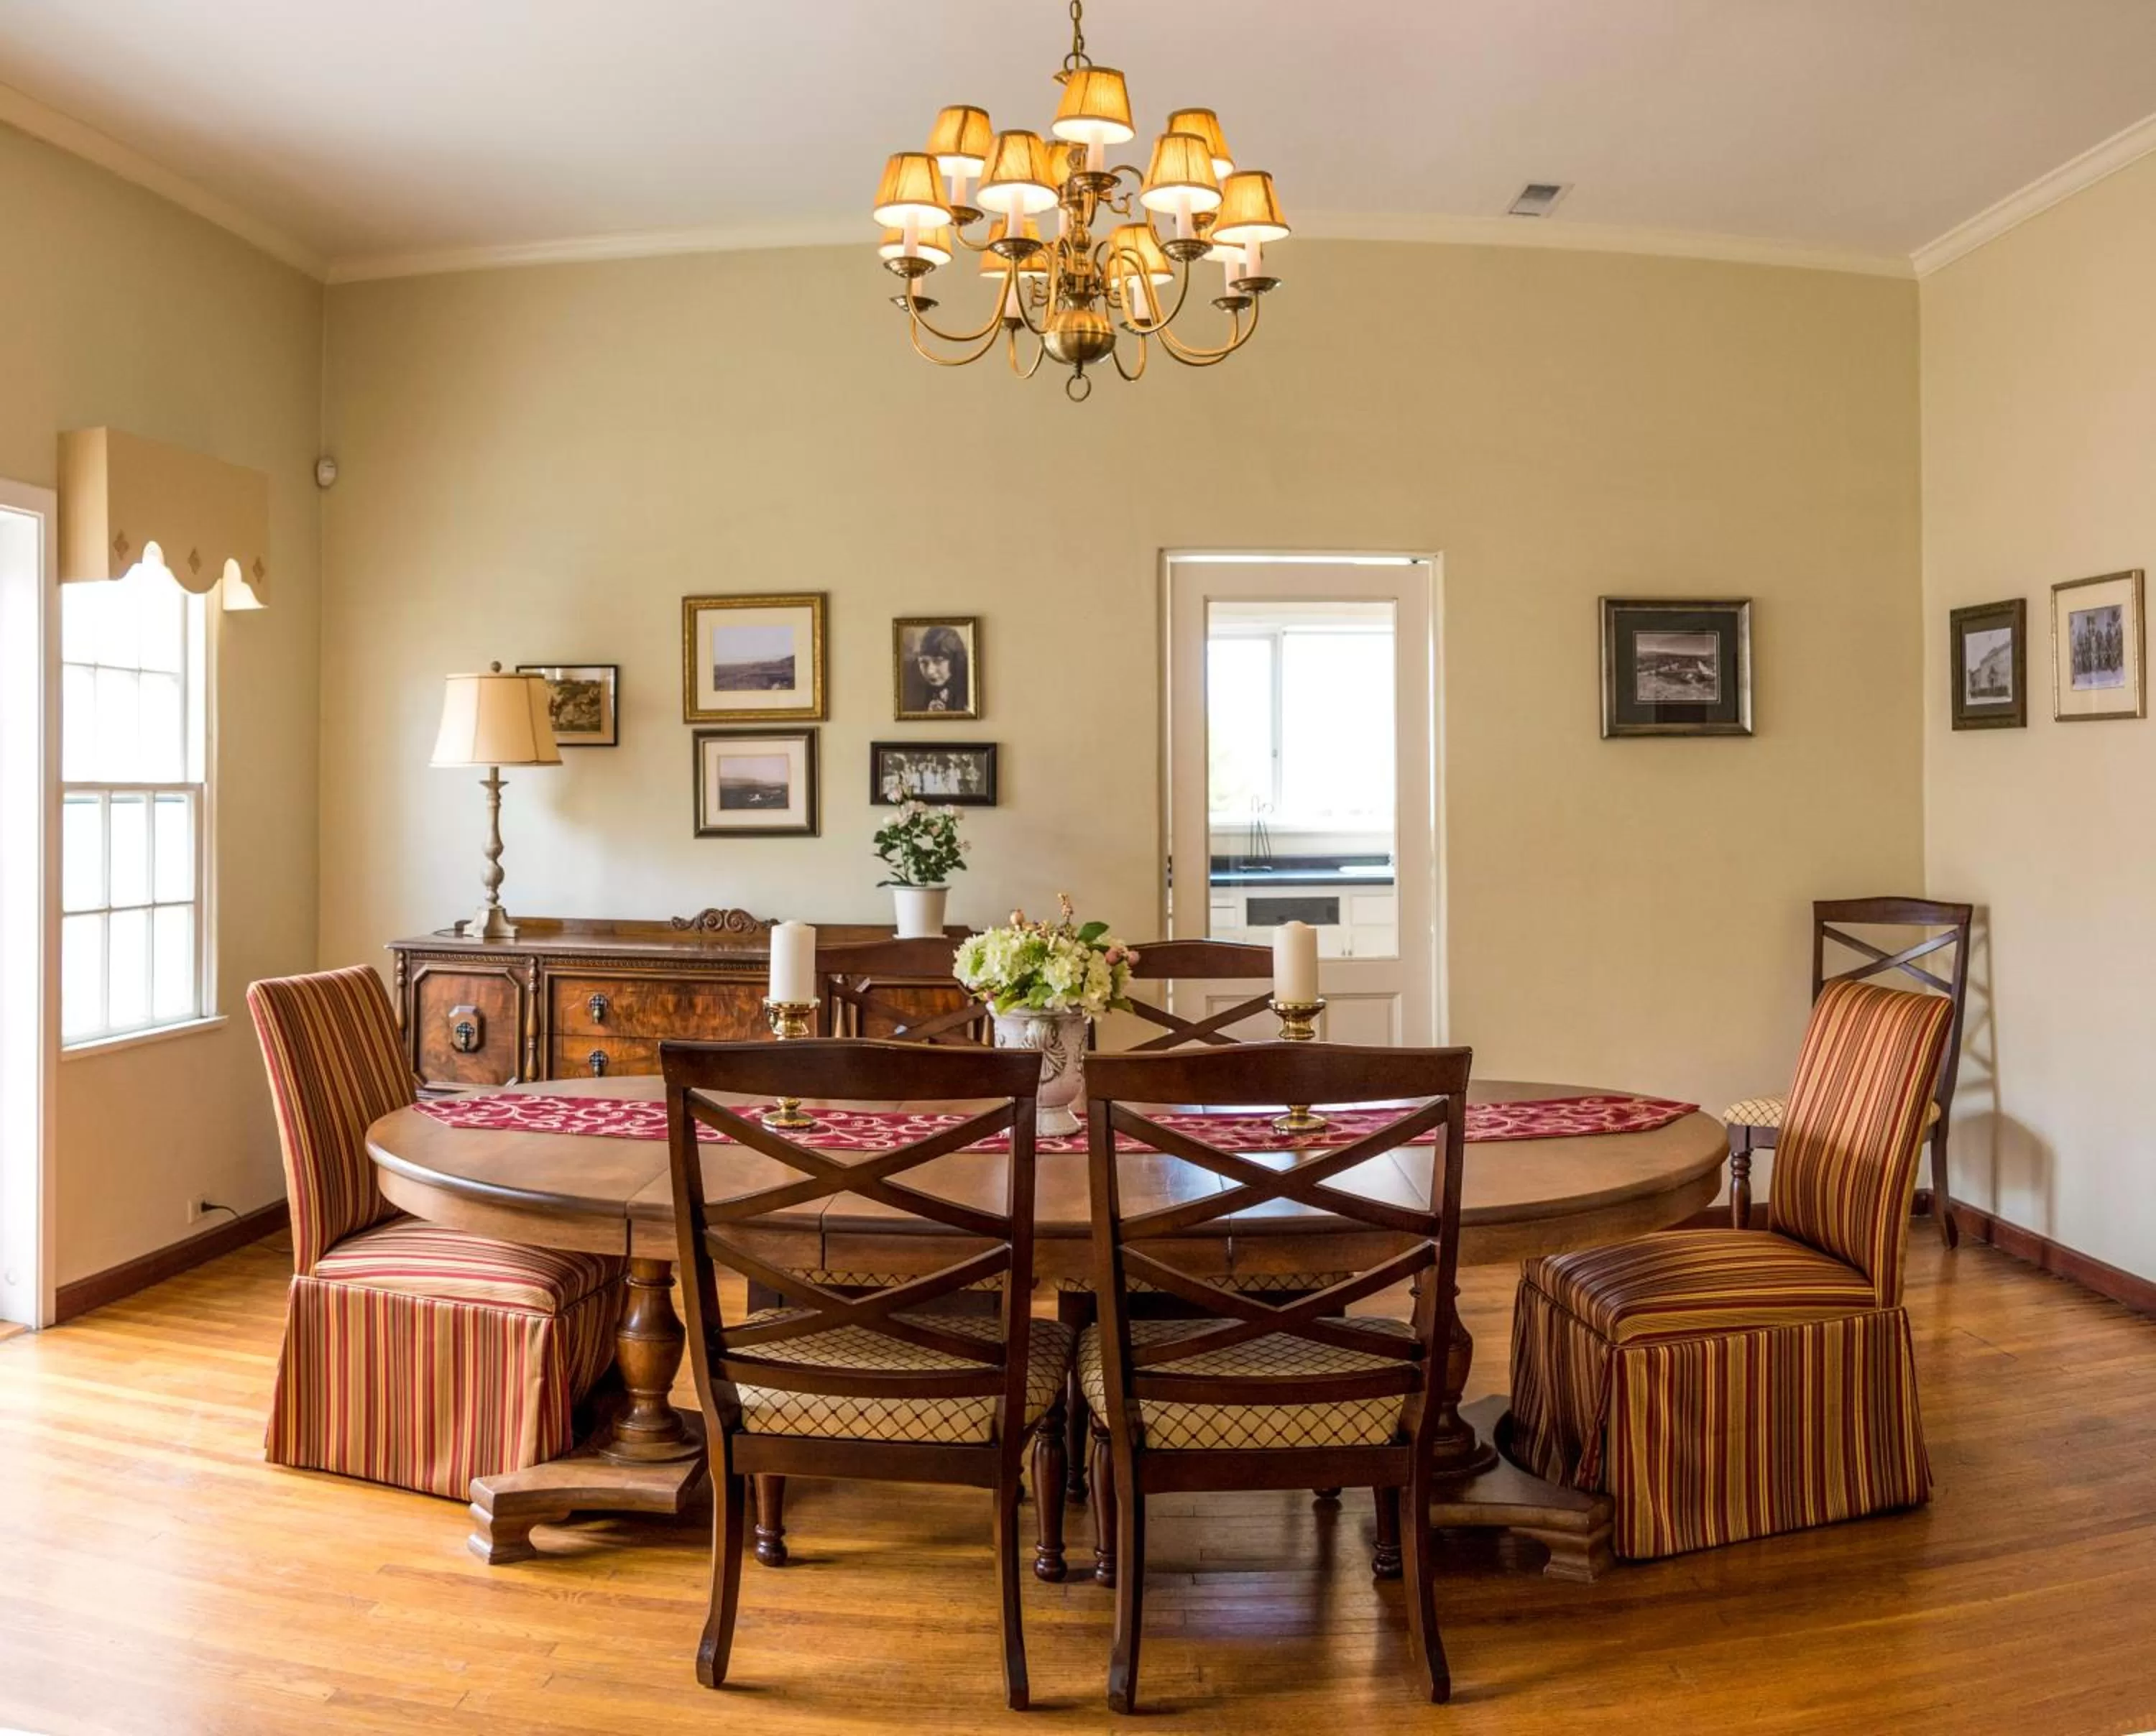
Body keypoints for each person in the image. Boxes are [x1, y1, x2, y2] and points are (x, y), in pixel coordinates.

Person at [901, 624, 970, 714]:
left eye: (938, 661)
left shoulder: (969, 688)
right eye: (923, 662)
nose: (930, 671)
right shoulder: (909, 688)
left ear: (955, 661)